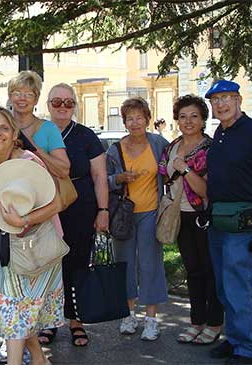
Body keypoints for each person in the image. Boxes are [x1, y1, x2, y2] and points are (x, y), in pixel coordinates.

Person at [204, 80, 252, 365]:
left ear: (238, 100)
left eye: (226, 98)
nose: (221, 104)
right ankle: (235, 339)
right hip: (218, 222)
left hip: (244, 224)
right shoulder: (220, 134)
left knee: (239, 287)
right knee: (225, 286)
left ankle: (248, 350)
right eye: (215, 100)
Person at [0, 106, 63, 365]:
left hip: (37, 246)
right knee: (21, 308)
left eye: (4, 128)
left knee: (16, 310)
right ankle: (39, 360)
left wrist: (24, 220)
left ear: (14, 132)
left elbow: (57, 202)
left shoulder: (29, 161)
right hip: (11, 248)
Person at [40, 83, 109, 347]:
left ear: (75, 106)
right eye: (57, 102)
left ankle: (75, 320)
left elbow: (100, 176)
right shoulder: (38, 132)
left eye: (69, 102)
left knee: (78, 264)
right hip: (46, 205)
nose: (62, 107)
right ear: (47, 105)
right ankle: (49, 321)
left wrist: (103, 211)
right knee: (49, 266)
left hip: (81, 205)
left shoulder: (86, 136)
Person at [157, 95, 223, 345]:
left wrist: (184, 169)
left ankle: (214, 322)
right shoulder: (171, 146)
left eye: (194, 116)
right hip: (179, 216)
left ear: (203, 119)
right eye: (183, 116)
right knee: (193, 271)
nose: (188, 121)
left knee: (210, 271)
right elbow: (164, 176)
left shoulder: (210, 149)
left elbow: (206, 190)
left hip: (202, 216)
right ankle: (196, 321)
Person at [106, 97, 169, 341]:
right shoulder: (115, 149)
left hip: (151, 211)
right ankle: (128, 314)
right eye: (129, 118)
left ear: (147, 119)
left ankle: (151, 319)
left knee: (150, 264)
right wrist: (119, 179)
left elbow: (171, 169)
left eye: (139, 118)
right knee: (125, 264)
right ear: (124, 122)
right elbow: (105, 180)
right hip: (123, 215)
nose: (134, 123)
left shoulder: (158, 143)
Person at [8, 71, 70, 179]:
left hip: (41, 192)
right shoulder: (2, 127)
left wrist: (34, 148)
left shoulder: (48, 129)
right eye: (17, 93)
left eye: (29, 94)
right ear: (10, 97)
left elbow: (64, 170)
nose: (22, 98)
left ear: (36, 100)